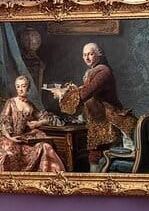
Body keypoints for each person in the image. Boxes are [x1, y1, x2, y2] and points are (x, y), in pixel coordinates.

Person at [51, 43, 137, 172]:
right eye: (84, 55)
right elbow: (85, 91)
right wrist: (67, 91)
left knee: (101, 156)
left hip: (112, 121)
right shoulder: (92, 72)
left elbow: (85, 93)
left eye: (91, 54)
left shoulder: (103, 72)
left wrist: (63, 95)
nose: (87, 58)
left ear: (99, 54)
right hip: (99, 121)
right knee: (94, 155)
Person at [0, 75, 65, 172]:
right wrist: (10, 137)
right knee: (9, 153)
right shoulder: (11, 102)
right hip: (8, 137)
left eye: (23, 86)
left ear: (28, 88)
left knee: (44, 146)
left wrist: (38, 123)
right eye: (18, 86)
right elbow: (3, 122)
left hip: (23, 138)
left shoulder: (30, 105)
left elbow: (46, 118)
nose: (20, 89)